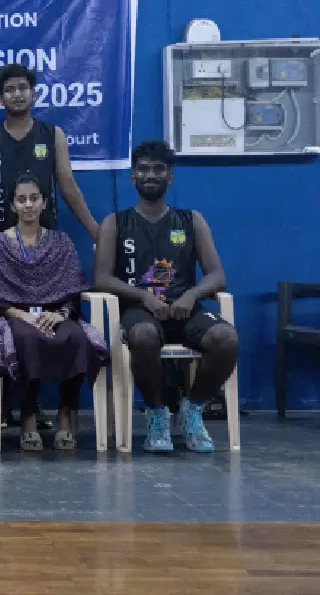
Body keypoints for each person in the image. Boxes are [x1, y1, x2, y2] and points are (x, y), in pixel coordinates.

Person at [93, 139, 238, 453]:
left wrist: (191, 296)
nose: (150, 175)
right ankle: (157, 413)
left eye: (158, 169)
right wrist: (144, 297)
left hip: (185, 310)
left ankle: (192, 409)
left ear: (170, 177)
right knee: (143, 336)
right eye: (143, 169)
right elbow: (101, 278)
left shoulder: (191, 220)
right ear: (132, 176)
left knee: (226, 338)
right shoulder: (115, 223)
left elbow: (218, 275)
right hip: (140, 310)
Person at [0, 174, 109, 451]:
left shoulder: (61, 242)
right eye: (21, 199)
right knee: (28, 339)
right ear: (12, 205)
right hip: (16, 316)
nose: (28, 205)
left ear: (44, 203)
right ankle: (28, 415)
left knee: (76, 338)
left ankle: (65, 413)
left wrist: (60, 314)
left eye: (34, 198)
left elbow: (72, 291)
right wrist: (26, 317)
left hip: (55, 315)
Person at [0, 64, 98, 241]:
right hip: (0, 237)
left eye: (23, 88)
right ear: (1, 99)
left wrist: (97, 233)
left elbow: (69, 188)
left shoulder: (53, 134)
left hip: (45, 237)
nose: (17, 94)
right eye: (10, 90)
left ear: (33, 94)